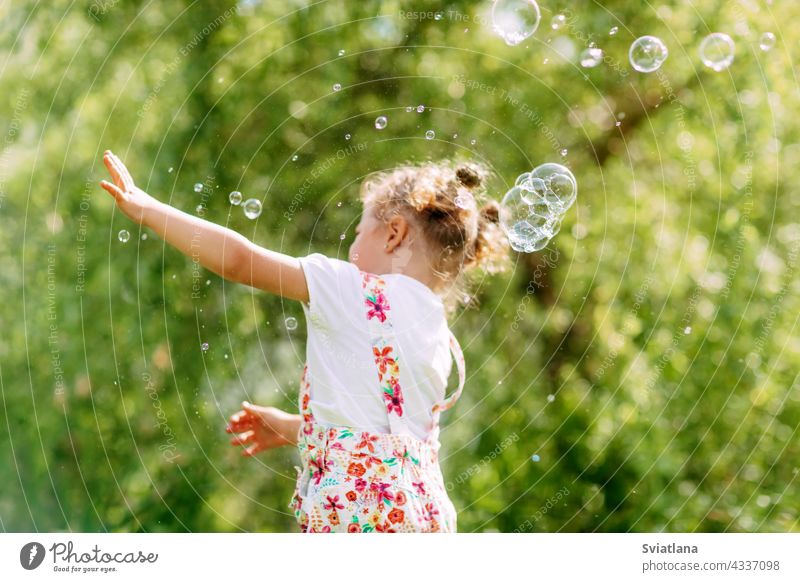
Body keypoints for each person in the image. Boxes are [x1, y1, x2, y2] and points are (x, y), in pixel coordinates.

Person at [100, 151, 509, 532]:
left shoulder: (350, 287)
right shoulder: (439, 333)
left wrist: (148, 209)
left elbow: (240, 260)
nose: (350, 247)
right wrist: (294, 428)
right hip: (426, 518)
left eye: (359, 231)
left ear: (393, 235)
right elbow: (383, 440)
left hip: (355, 516)